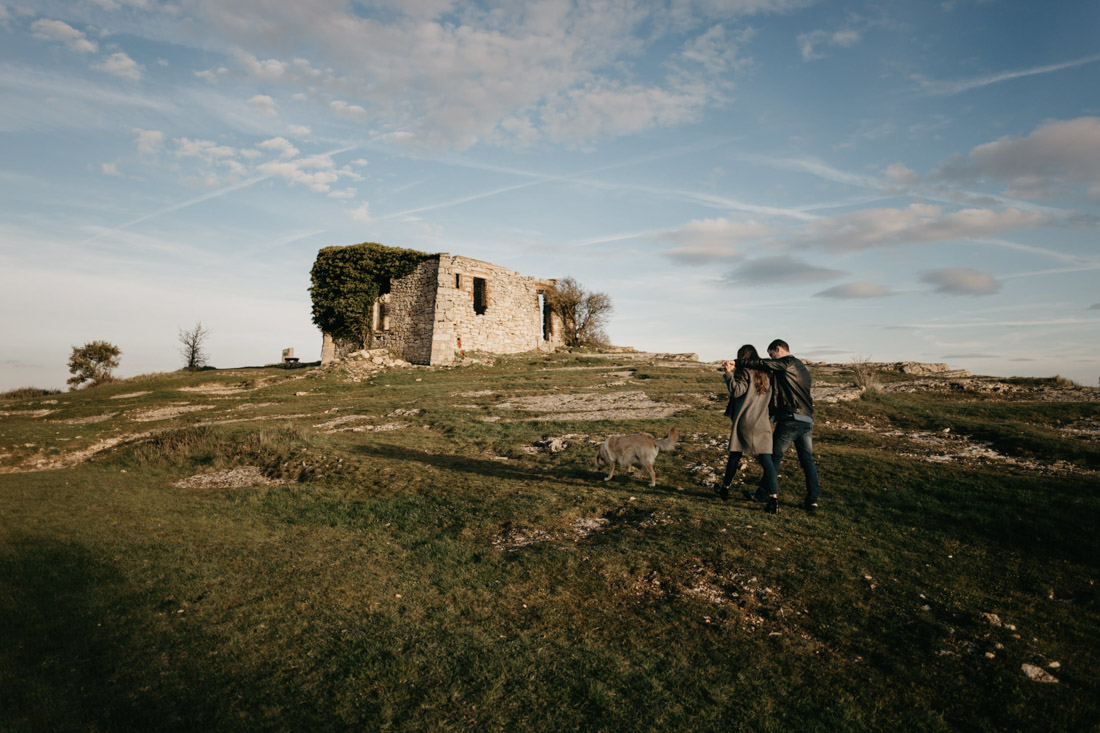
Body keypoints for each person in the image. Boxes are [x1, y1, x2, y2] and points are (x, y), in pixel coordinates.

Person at [735, 338, 820, 514]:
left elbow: (762, 364)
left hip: (791, 418)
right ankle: (812, 501)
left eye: (772, 354)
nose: (771, 359)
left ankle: (763, 494)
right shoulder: (802, 368)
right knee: (807, 461)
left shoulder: (787, 362)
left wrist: (738, 362)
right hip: (806, 420)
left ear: (779, 349)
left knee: (773, 457)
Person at [716, 344, 779, 508]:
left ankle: (725, 488)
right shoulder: (766, 375)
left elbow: (737, 391)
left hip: (745, 420)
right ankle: (773, 498)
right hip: (763, 422)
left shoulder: (744, 372)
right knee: (767, 461)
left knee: (735, 455)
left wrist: (728, 373)